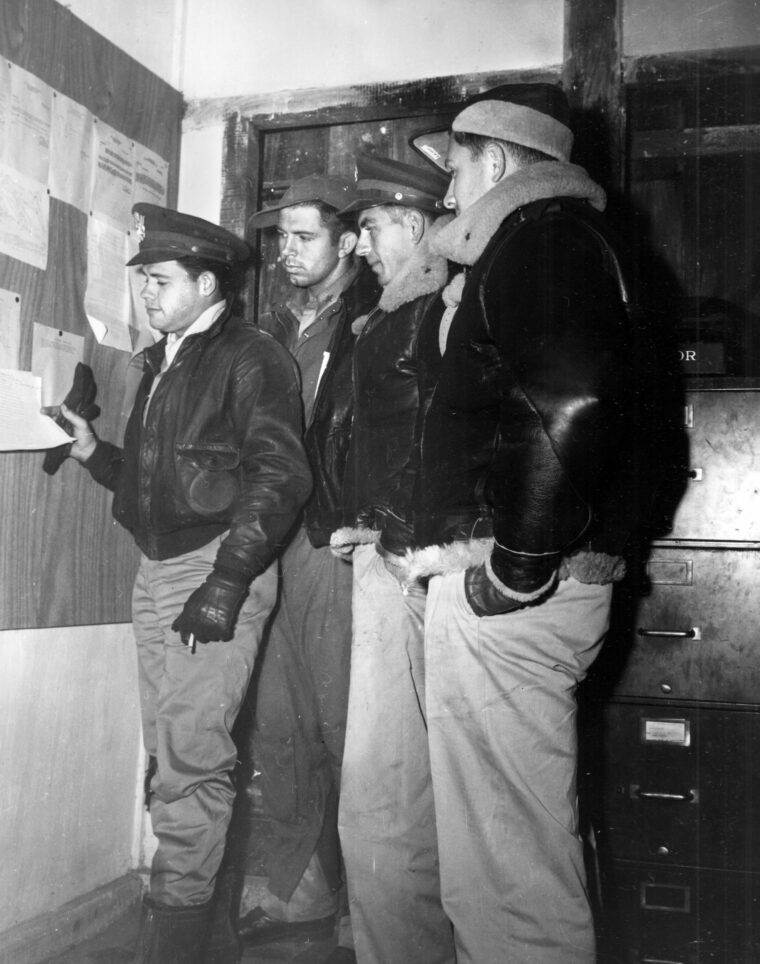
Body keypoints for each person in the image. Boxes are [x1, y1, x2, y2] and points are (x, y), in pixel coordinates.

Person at [396, 83, 646, 963]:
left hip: (515, 596)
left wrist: (516, 567)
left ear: (496, 161)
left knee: (507, 873)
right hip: (522, 583)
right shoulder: (554, 242)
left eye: (456, 170)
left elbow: (575, 403)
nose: (448, 194)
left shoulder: (538, 240)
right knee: (505, 857)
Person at [59, 203, 312, 964]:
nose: (147, 294)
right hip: (159, 566)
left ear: (207, 283)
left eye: (161, 281)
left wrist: (226, 584)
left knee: (192, 762)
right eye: (142, 281)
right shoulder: (164, 359)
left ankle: (176, 945)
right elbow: (166, 480)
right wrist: (96, 454)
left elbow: (280, 476)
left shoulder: (250, 355)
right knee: (176, 759)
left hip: (213, 568)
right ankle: (202, 933)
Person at [237, 175, 378, 959]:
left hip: (332, 538)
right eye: (281, 238)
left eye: (304, 236)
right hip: (271, 537)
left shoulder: (372, 318)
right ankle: (302, 885)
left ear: (348, 241)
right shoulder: (271, 328)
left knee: (342, 719)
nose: (286, 251)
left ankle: (372, 891)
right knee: (278, 720)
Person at [328, 154, 456, 964]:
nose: (361, 243)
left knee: (397, 793)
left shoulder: (442, 308)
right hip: (386, 549)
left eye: (370, 227)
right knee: (382, 794)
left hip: (417, 563)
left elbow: (449, 441)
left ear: (412, 224)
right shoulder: (389, 314)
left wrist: (394, 531)